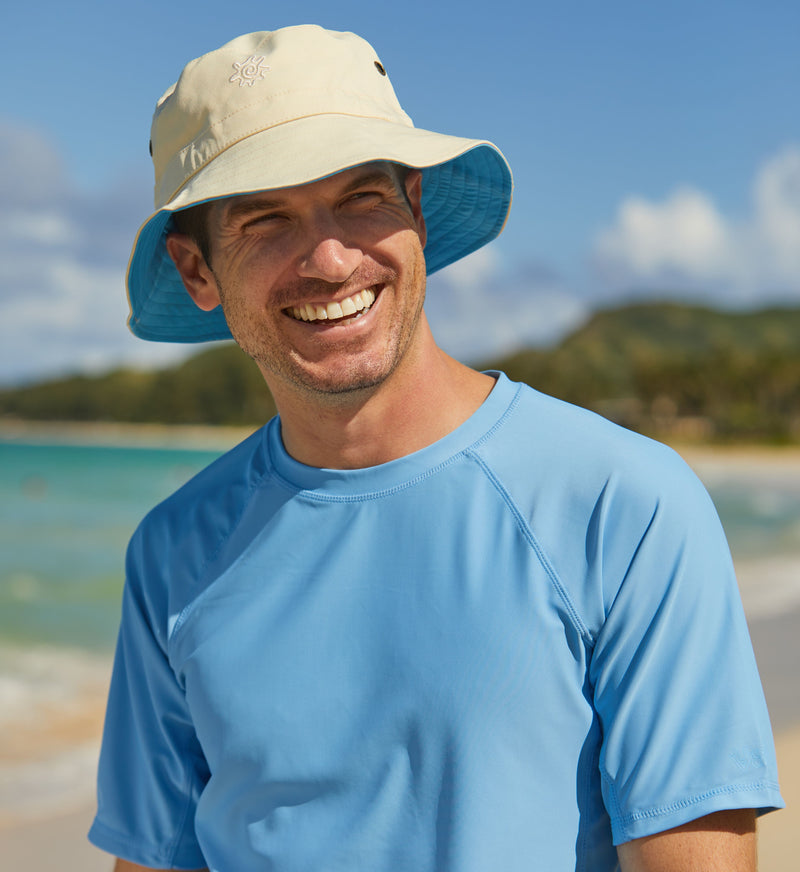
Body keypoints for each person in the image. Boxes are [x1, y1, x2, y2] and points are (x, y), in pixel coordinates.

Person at [89, 25, 783, 872]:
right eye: (266, 218)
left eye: (362, 198)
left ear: (414, 209)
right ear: (197, 272)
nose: (332, 258)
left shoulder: (624, 504)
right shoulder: (173, 550)